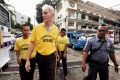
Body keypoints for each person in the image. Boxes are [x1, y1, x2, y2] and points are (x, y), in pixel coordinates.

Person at [25, 4, 59, 80]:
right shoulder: (37, 28)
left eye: (45, 13)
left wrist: (56, 55)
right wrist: (27, 60)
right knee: (42, 77)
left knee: (51, 77)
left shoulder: (56, 29)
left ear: (52, 14)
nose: (43, 15)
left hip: (51, 57)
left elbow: (55, 43)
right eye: (42, 13)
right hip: (40, 57)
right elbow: (32, 43)